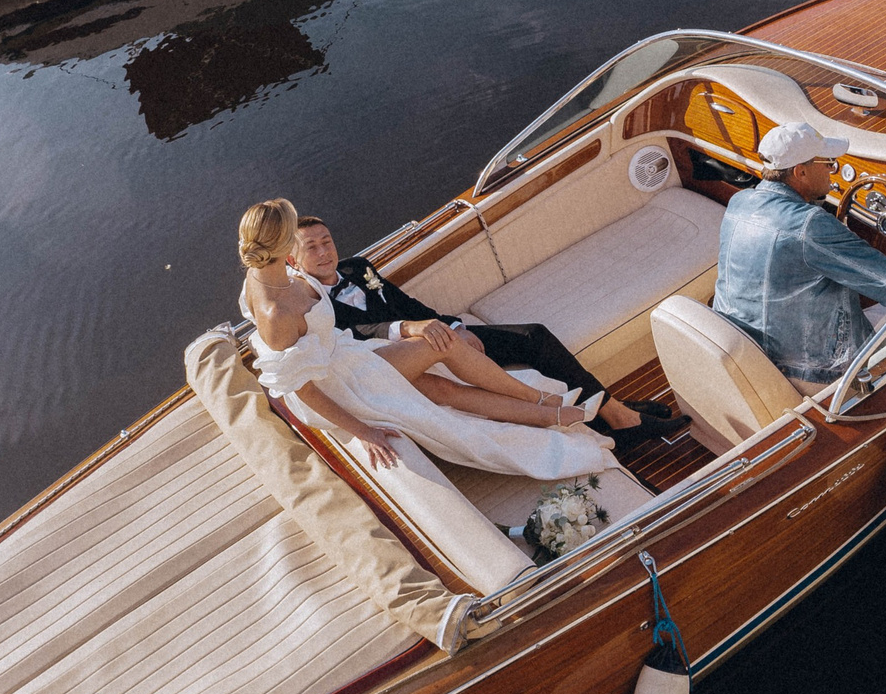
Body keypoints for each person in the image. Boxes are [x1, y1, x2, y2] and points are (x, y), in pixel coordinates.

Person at [237, 198, 615, 482]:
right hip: (339, 382)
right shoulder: (276, 313)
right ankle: (540, 400)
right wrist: (363, 431)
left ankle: (556, 415)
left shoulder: (259, 274)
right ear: (286, 247)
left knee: (443, 390)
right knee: (442, 344)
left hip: (351, 355)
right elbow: (303, 389)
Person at [290, 214, 683, 454]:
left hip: (441, 336)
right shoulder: (305, 304)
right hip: (410, 366)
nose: (325, 252)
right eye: (312, 247)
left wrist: (457, 325)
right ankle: (621, 419)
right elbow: (356, 333)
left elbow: (408, 302)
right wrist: (412, 329)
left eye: (327, 241)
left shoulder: (358, 268)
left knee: (534, 336)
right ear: (293, 259)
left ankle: (613, 411)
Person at [711, 121, 886, 387]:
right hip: (810, 369)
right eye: (827, 162)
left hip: (753, 349)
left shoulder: (740, 202)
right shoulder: (809, 225)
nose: (833, 168)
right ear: (800, 172)